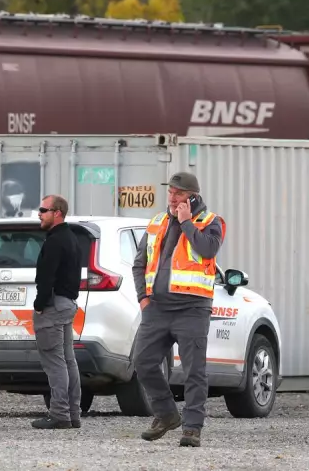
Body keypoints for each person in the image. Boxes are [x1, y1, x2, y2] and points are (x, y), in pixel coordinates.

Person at [131, 172, 226, 447]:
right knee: (143, 362)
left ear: (192, 197)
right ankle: (166, 414)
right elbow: (140, 263)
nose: (172, 198)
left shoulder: (210, 222)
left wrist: (186, 222)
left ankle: (192, 428)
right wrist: (143, 299)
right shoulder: (157, 222)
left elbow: (207, 250)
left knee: (194, 370)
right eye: (170, 192)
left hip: (192, 309)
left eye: (178, 194)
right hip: (157, 309)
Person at [31, 194, 83, 429]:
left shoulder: (54, 241)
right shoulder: (71, 238)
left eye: (43, 210)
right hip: (68, 304)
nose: (39, 214)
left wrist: (39, 305)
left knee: (55, 361)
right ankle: (73, 413)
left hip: (54, 306)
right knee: (67, 360)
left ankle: (60, 413)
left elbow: (46, 277)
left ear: (57, 212)